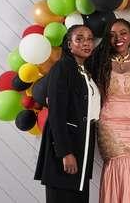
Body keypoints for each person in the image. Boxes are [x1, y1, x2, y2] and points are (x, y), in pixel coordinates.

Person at [34, 25, 101, 203]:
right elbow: (56, 113)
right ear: (69, 45)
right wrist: (65, 152)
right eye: (79, 38)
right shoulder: (62, 68)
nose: (86, 43)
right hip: (65, 148)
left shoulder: (84, 71)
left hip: (83, 145)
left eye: (89, 38)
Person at [92, 18, 130, 203]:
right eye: (112, 35)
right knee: (115, 167)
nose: (118, 38)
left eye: (123, 33)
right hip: (109, 125)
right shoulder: (98, 62)